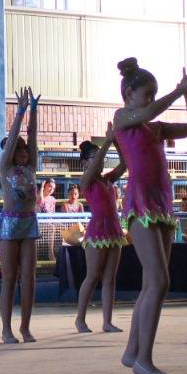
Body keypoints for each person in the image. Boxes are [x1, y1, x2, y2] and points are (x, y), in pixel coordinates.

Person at [113, 58, 187, 374]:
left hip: (162, 203)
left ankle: (132, 351)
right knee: (159, 280)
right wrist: (178, 90)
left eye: (154, 94)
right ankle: (143, 359)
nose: (150, 99)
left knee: (152, 283)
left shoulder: (156, 128)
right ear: (129, 94)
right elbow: (149, 112)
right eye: (147, 93)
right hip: (140, 205)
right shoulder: (122, 118)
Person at [0, 87, 41, 345]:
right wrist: (20, 111)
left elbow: (32, 138)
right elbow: (13, 138)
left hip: (29, 222)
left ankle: (25, 327)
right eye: (19, 150)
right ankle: (6, 329)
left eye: (25, 150)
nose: (23, 152)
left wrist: (34, 111)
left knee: (30, 278)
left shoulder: (31, 166)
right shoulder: (6, 167)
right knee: (10, 277)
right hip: (10, 223)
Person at [74, 125, 127, 335]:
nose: (100, 160)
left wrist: (115, 141)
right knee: (93, 275)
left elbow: (124, 164)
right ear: (85, 162)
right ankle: (80, 319)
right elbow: (97, 164)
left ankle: (107, 321)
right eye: (94, 158)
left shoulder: (107, 179)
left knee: (110, 277)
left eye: (101, 157)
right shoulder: (85, 181)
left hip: (113, 229)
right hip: (97, 230)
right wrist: (106, 142)